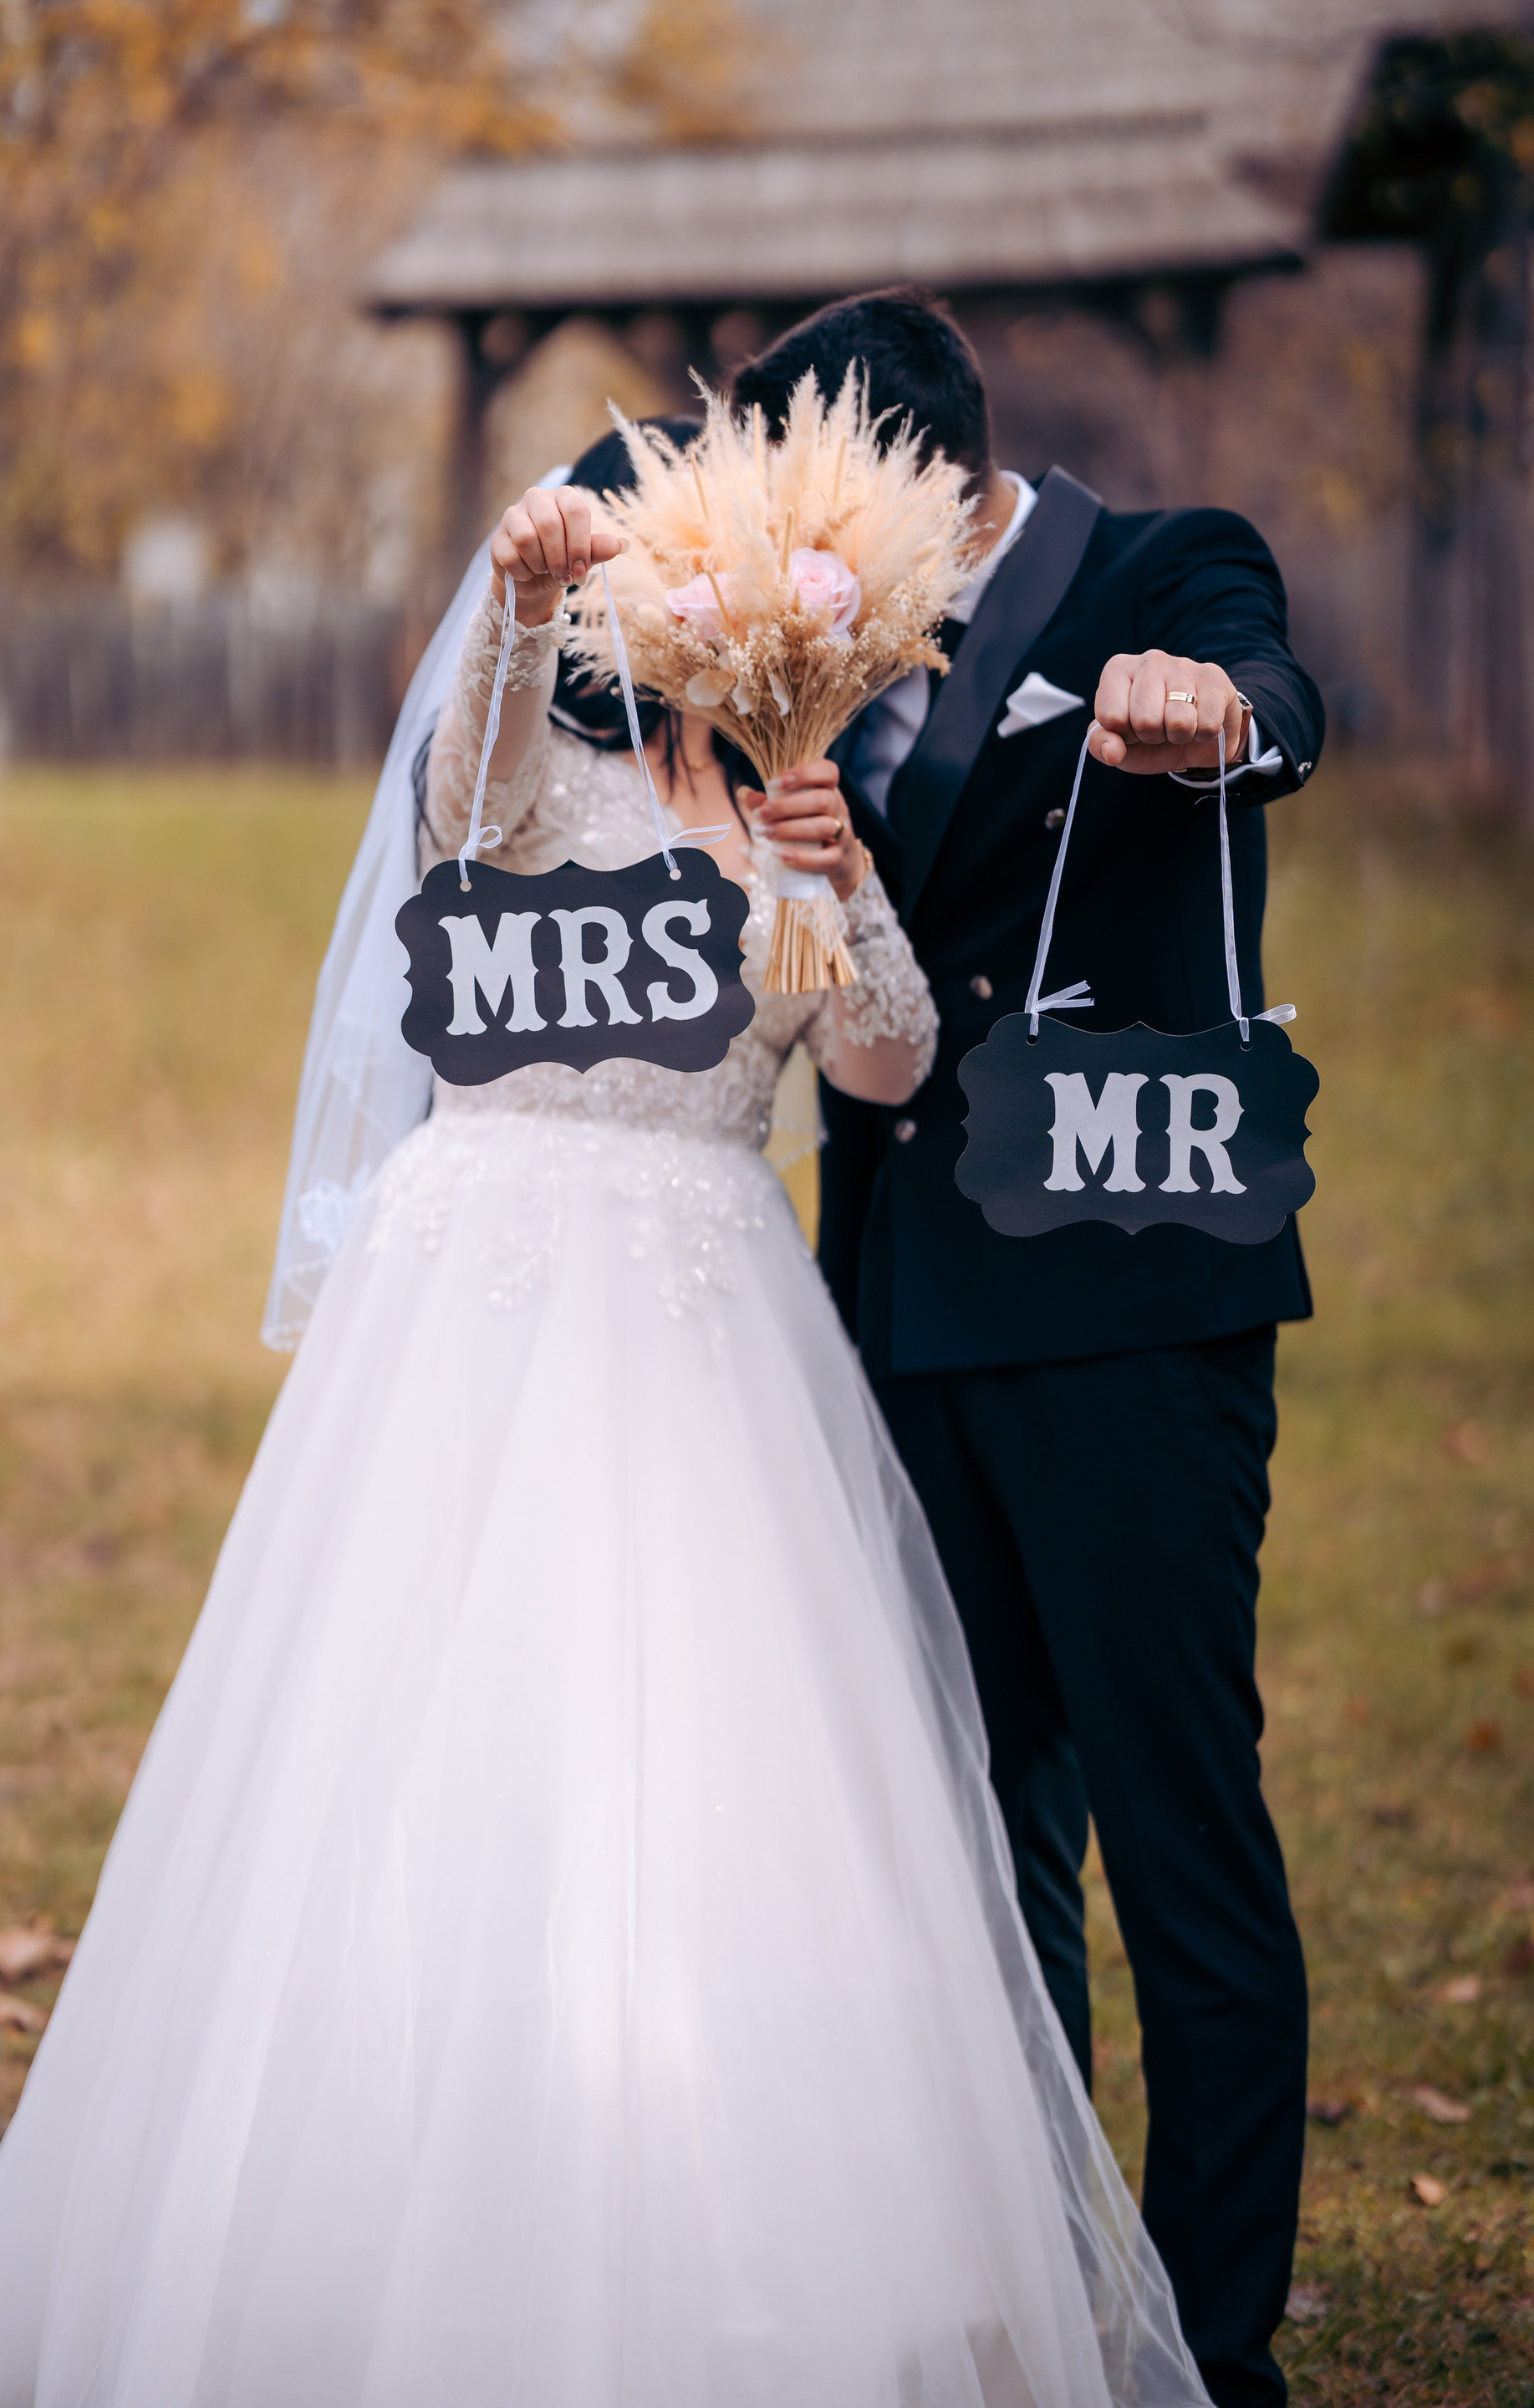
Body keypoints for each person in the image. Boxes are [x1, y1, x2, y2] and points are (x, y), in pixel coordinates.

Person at [0, 424, 1211, 2408]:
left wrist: (839, 872)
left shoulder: (789, 815)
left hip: (705, 1343)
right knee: (432, 1745)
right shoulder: (526, 790)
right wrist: (521, 611)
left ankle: (730, 2237)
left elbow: (884, 1073)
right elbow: (461, 788)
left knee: (713, 1768)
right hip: (478, 1326)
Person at [733, 291, 1324, 2408]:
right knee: (979, 1849)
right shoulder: (809, 659)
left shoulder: (1170, 570)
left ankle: (1217, 2351)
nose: (787, 553)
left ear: (923, 491)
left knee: (1181, 1833)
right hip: (902, 1317)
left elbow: (1277, 704)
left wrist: (1207, 710)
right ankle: (1049, 2307)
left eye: (809, 509)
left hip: (1127, 1316)